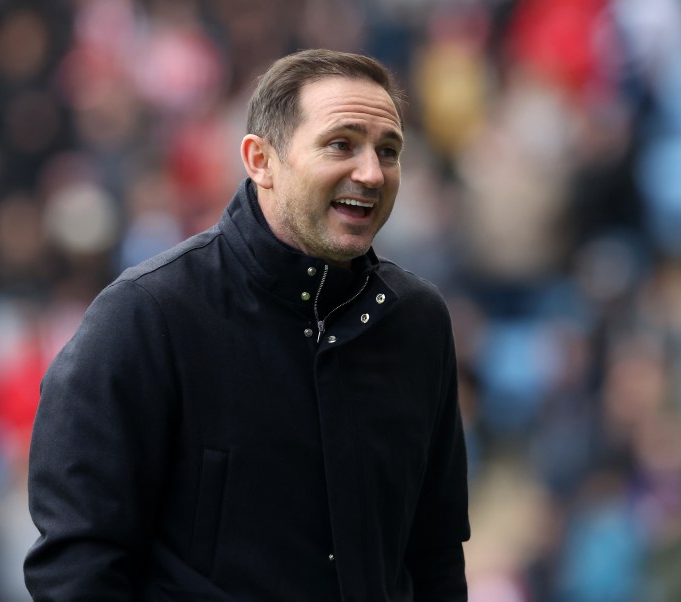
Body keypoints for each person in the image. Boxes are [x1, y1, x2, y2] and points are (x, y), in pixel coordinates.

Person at [24, 49, 470, 601]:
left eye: (389, 150)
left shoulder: (417, 324)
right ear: (261, 160)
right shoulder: (145, 316)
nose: (372, 173)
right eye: (341, 144)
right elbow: (77, 565)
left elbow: (436, 555)